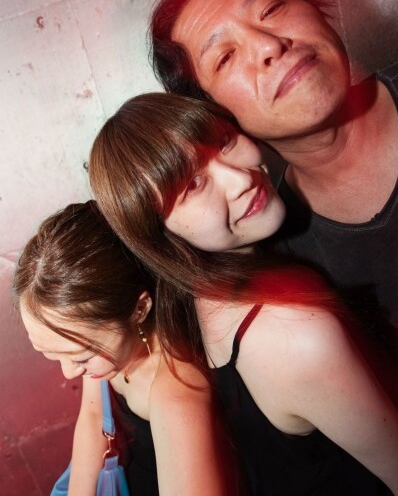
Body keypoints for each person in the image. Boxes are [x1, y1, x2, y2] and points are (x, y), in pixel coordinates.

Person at [89, 92, 398, 495]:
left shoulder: (187, 304)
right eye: (192, 185)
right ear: (159, 236)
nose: (241, 179)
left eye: (224, 141)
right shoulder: (291, 334)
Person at [149, 0, 398, 331]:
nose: (269, 45)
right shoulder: (287, 267)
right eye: (225, 57)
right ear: (216, 114)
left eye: (271, 10)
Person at [13, 201, 237, 496]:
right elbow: (94, 419)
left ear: (139, 309)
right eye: (53, 355)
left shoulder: (176, 398)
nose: (69, 373)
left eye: (81, 357)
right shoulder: (101, 345)